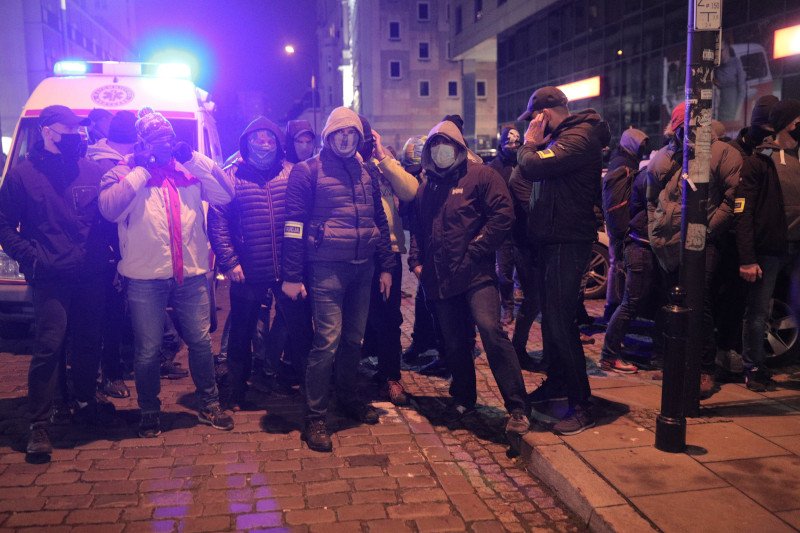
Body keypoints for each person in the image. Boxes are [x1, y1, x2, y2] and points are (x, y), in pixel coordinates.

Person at [99, 106, 235, 438]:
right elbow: (109, 209)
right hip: (145, 277)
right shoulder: (124, 170)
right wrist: (142, 168)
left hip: (190, 273)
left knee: (202, 343)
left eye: (168, 138)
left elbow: (227, 193)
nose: (164, 144)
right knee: (147, 349)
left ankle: (209, 404)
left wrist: (192, 158)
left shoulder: (187, 170)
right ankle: (149, 411)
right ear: (141, 142)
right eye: (156, 139)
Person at [0, 105, 116, 457]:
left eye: (79, 129)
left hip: (90, 274)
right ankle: (39, 423)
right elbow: (5, 226)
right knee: (49, 346)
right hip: (50, 275)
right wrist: (32, 256)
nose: (77, 135)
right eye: (69, 129)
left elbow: (107, 219)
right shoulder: (22, 175)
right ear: (48, 130)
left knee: (87, 342)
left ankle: (83, 402)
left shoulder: (92, 170)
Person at [282, 106, 395, 452]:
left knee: (353, 341)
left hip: (363, 268)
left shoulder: (366, 172)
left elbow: (379, 219)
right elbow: (293, 225)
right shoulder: (307, 171)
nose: (346, 139)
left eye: (352, 134)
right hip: (326, 268)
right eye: (340, 133)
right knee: (327, 341)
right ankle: (315, 415)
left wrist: (387, 266)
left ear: (359, 138)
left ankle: (347, 398)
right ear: (328, 136)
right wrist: (291, 275)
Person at [408, 119, 530, 436]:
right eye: (433, 145)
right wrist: (416, 262)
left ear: (459, 147)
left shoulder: (482, 176)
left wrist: (477, 249)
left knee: (491, 330)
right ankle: (463, 399)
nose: (439, 150)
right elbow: (418, 230)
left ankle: (517, 407)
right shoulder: (426, 188)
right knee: (454, 342)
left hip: (476, 276)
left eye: (445, 144)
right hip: (441, 278)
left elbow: (503, 215)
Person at [517, 86, 611, 435]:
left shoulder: (578, 138)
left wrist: (530, 142)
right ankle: (558, 382)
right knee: (553, 319)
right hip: (552, 239)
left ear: (545, 114)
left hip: (567, 240)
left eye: (534, 118)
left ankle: (582, 403)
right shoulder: (561, 139)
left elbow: (530, 167)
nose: (532, 125)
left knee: (560, 321)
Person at [207, 116, 305, 410]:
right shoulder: (231, 177)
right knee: (241, 334)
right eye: (257, 139)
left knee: (301, 332)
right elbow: (218, 221)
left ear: (279, 144)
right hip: (247, 271)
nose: (264, 144)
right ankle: (236, 392)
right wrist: (228, 261)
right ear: (246, 144)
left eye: (270, 139)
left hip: (288, 270)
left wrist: (301, 267)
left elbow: (305, 217)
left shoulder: (293, 174)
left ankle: (310, 391)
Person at [647, 102, 742, 398]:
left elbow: (734, 198)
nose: (683, 134)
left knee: (699, 305)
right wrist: (654, 231)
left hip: (702, 244)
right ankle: (671, 363)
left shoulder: (722, 152)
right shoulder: (664, 156)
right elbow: (651, 199)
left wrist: (707, 229)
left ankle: (703, 369)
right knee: (670, 305)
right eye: (679, 129)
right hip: (667, 245)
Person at [736, 99, 800, 391]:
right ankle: (754, 367)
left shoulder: (796, 158)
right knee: (758, 310)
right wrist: (748, 257)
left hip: (794, 249)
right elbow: (744, 211)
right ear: (788, 124)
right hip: (769, 249)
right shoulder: (760, 160)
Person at [359, 117, 418, 406]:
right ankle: (348, 375)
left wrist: (382, 155)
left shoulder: (384, 164)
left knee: (389, 318)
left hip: (388, 250)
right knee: (351, 319)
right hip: (353, 251)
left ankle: (390, 375)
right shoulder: (343, 162)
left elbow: (410, 190)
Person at [86, 110, 139, 399]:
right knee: (109, 318)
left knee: (103, 317)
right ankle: (109, 375)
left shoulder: (93, 157)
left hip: (100, 251)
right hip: (108, 252)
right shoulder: (108, 165)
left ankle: (99, 374)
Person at [600, 128, 651, 374]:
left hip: (626, 236)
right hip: (627, 237)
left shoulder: (624, 163)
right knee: (625, 297)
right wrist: (622, 237)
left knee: (626, 295)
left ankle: (613, 345)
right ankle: (610, 351)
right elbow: (619, 205)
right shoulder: (623, 166)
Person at [489, 127, 521, 324]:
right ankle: (507, 308)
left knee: (524, 270)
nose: (514, 146)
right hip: (504, 228)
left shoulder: (524, 162)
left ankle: (523, 303)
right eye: (510, 142)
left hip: (524, 226)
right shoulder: (494, 167)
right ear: (502, 144)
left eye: (517, 143)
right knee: (504, 272)